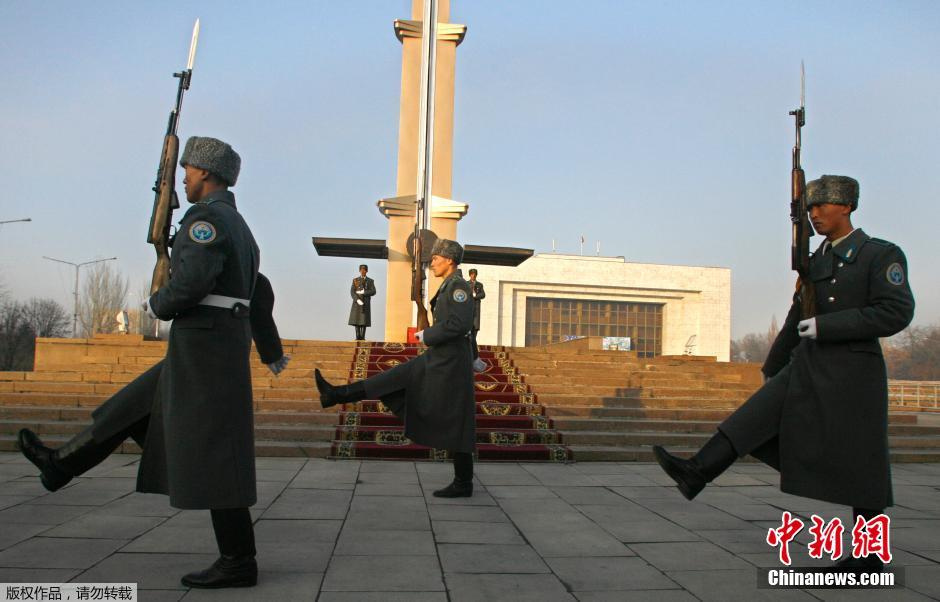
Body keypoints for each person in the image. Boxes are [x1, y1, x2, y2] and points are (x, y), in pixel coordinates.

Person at [18, 136, 266, 589]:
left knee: (215, 451)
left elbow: (191, 284)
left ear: (206, 173)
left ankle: (238, 560)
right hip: (210, 345)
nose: (184, 179)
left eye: (188, 171)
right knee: (130, 404)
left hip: (205, 348)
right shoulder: (236, 222)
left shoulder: (207, 219)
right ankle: (61, 463)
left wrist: (158, 303)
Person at [652, 175, 914, 571]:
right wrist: (772, 365)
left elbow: (896, 312)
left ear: (845, 207)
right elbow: (796, 315)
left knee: (864, 463)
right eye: (810, 208)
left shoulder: (879, 254)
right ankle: (697, 471)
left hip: (854, 372)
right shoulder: (816, 260)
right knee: (754, 416)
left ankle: (870, 555)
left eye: (821, 206)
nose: (814, 214)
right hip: (808, 363)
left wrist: (830, 326)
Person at [315, 239, 476, 497]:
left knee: (456, 417)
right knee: (393, 378)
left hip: (449, 362)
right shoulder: (449, 285)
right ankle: (336, 394)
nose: (432, 261)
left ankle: (463, 482)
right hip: (442, 358)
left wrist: (428, 335)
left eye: (436, 257)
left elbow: (461, 324)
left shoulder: (458, 286)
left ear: (449, 260)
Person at [348, 264, 376, 341]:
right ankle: (357, 337)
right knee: (356, 320)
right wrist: (356, 299)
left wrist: (364, 292)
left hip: (366, 303)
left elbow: (373, 291)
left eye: (364, 270)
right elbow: (352, 291)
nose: (363, 271)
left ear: (367, 271)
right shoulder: (355, 280)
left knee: (364, 321)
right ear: (359, 270)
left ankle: (362, 337)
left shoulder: (370, 281)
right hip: (357, 303)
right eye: (361, 270)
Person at [468, 268, 486, 372]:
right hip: (468, 308)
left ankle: (473, 344)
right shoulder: (465, 284)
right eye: (472, 274)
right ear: (470, 275)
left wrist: (475, 296)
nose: (473, 276)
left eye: (474, 274)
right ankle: (471, 348)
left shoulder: (479, 284)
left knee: (475, 328)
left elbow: (483, 295)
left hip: (476, 308)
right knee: (469, 328)